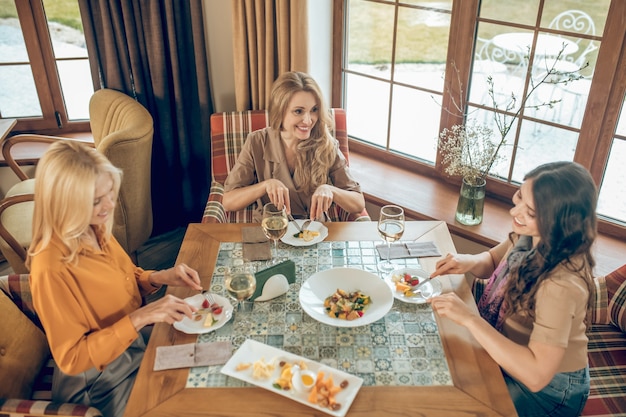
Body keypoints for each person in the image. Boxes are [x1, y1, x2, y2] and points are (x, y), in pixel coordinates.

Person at [27, 140, 203, 417]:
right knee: (189, 400)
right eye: (96, 200)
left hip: (133, 344)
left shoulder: (92, 227)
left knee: (208, 352)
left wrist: (159, 277)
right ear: (64, 204)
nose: (110, 205)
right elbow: (72, 358)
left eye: (110, 192)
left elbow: (124, 276)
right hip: (100, 382)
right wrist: (141, 318)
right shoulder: (50, 267)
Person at [428, 161, 597, 417]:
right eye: (519, 196)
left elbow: (536, 375)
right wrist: (468, 261)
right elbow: (495, 261)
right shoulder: (532, 235)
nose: (514, 211)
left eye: (530, 212)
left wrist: (470, 319)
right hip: (508, 351)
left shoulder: (561, 284)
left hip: (547, 391)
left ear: (559, 222)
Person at [222, 71, 365, 222]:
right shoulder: (256, 142)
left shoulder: (326, 144)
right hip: (272, 230)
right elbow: (228, 201)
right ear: (280, 111)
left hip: (315, 233)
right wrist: (265, 186)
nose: (308, 120)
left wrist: (331, 190)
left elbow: (358, 203)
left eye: (314, 110)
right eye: (298, 111)